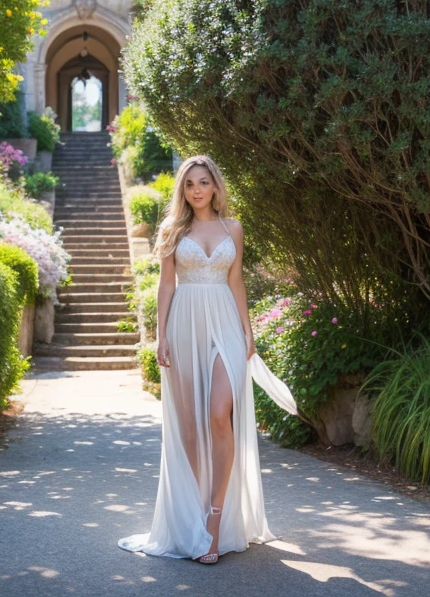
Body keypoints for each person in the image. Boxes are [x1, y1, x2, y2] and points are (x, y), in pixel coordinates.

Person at [117, 154, 299, 564]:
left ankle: (215, 519)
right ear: (182, 190)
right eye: (189, 184)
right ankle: (196, 513)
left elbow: (236, 281)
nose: (197, 190)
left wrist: (248, 331)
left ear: (215, 186)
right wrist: (161, 335)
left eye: (203, 182)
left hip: (226, 326)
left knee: (220, 413)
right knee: (189, 429)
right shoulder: (171, 229)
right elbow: (166, 286)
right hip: (184, 326)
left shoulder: (233, 227)